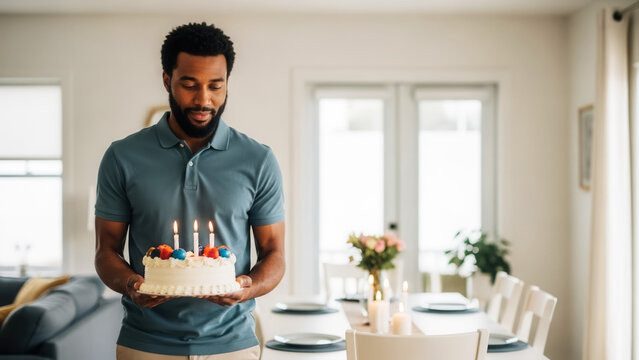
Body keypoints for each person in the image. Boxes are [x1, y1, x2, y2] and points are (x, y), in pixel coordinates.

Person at [94, 22, 285, 360]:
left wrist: (246, 288)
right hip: (144, 345)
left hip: (234, 345)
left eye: (216, 85)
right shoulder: (122, 157)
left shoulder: (259, 160)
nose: (203, 99)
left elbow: (274, 254)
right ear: (167, 79)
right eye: (189, 84)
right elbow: (106, 250)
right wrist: (132, 285)